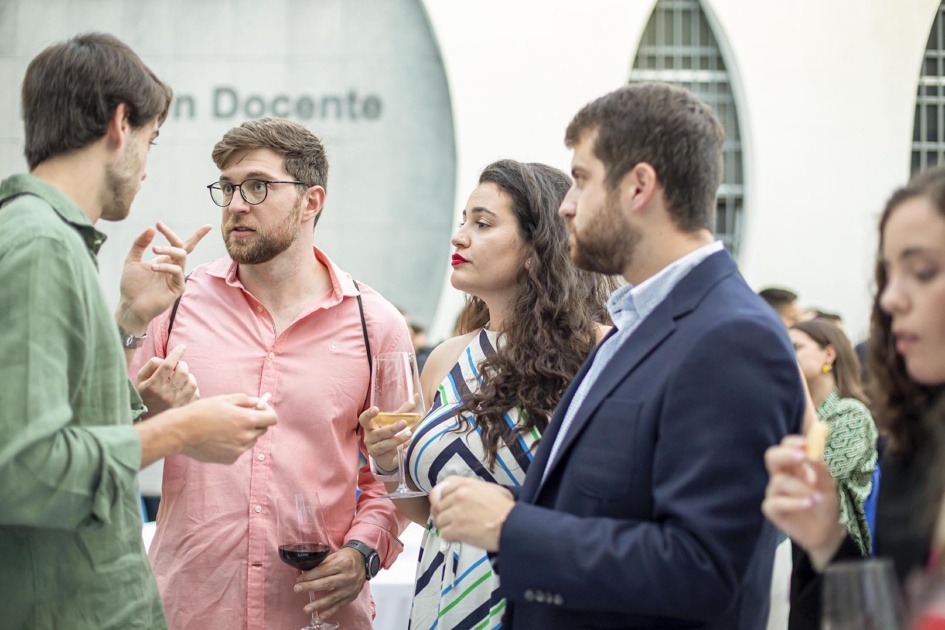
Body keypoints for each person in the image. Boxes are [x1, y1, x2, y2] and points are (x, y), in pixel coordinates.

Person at [428, 82, 805, 629]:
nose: (566, 206)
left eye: (582, 180)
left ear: (638, 187)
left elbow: (704, 570)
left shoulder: (731, 337)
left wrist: (511, 530)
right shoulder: (635, 323)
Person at [0, 33, 278, 629]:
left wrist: (130, 319)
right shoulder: (40, 245)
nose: (147, 168)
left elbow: (61, 424)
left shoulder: (45, 238)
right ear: (120, 124)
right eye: (151, 141)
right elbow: (25, 469)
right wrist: (183, 429)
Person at [128, 117, 412, 630]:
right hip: (190, 609)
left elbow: (397, 472)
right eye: (228, 187)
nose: (236, 204)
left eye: (258, 186)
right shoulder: (174, 303)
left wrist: (363, 552)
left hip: (315, 615)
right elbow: (103, 439)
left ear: (311, 201)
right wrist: (132, 329)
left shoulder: (376, 326)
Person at [359, 159, 614, 629]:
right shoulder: (446, 358)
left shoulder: (601, 352)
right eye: (463, 222)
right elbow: (433, 514)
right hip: (441, 602)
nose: (458, 237)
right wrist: (389, 463)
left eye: (482, 224)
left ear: (537, 247)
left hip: (539, 601)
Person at [763, 164, 945, 616]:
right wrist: (826, 540)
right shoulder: (914, 441)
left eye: (923, 272)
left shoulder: (851, 416)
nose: (891, 298)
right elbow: (884, 617)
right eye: (887, 276)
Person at [786, 319, 878, 629]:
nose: (788, 356)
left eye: (796, 347)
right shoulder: (796, 414)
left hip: (838, 561)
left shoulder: (850, 413)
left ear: (829, 354)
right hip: (800, 553)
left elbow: (813, 478)